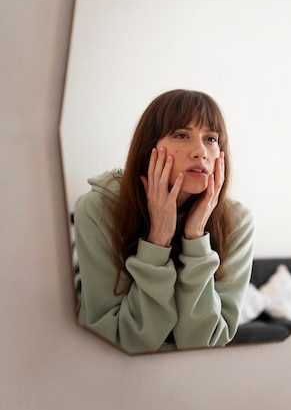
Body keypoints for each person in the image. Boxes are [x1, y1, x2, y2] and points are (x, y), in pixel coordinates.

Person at [73, 89, 255, 354]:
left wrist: (195, 239)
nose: (200, 152)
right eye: (182, 135)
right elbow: (117, 342)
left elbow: (205, 345)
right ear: (149, 147)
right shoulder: (98, 209)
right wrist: (157, 241)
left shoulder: (238, 222)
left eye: (211, 138)